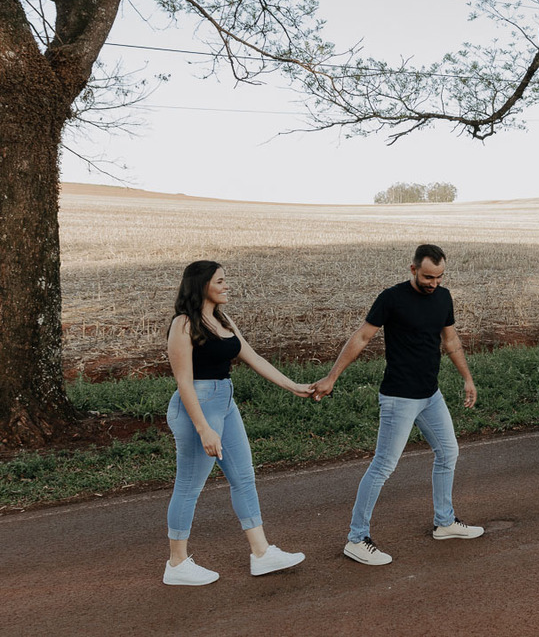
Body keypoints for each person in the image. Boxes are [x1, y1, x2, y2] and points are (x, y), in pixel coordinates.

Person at [313, 243, 483, 566]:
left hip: (430, 396)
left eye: (439, 277)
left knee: (449, 452)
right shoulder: (391, 298)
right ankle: (356, 538)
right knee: (383, 466)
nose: (433, 283)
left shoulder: (443, 298)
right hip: (398, 399)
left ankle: (445, 522)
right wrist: (331, 377)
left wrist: (467, 378)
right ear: (413, 269)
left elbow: (450, 341)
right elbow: (361, 337)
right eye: (428, 276)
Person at [163, 260, 313, 586]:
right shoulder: (184, 325)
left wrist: (294, 386)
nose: (226, 285)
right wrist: (203, 427)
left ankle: (261, 554)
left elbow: (253, 357)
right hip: (196, 410)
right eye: (220, 281)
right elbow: (185, 382)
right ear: (203, 285)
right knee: (189, 486)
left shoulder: (221, 319)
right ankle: (176, 564)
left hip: (225, 404)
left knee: (244, 477)